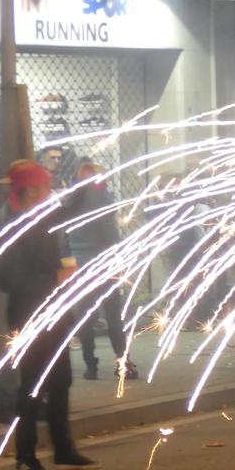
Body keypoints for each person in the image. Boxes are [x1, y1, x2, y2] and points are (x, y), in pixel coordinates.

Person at [0, 159, 96, 470]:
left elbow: (67, 210)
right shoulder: (13, 224)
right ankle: (25, 455)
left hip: (54, 313)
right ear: (30, 191)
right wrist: (56, 276)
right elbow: (9, 279)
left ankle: (63, 448)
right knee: (32, 384)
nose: (49, 192)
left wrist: (83, 185)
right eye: (43, 187)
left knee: (61, 379)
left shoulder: (42, 215)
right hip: (29, 315)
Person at [62, 160, 137, 381]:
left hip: (80, 264)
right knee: (113, 314)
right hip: (104, 262)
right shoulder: (102, 199)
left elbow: (64, 235)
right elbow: (110, 234)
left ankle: (90, 365)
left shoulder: (70, 201)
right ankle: (122, 362)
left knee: (85, 315)